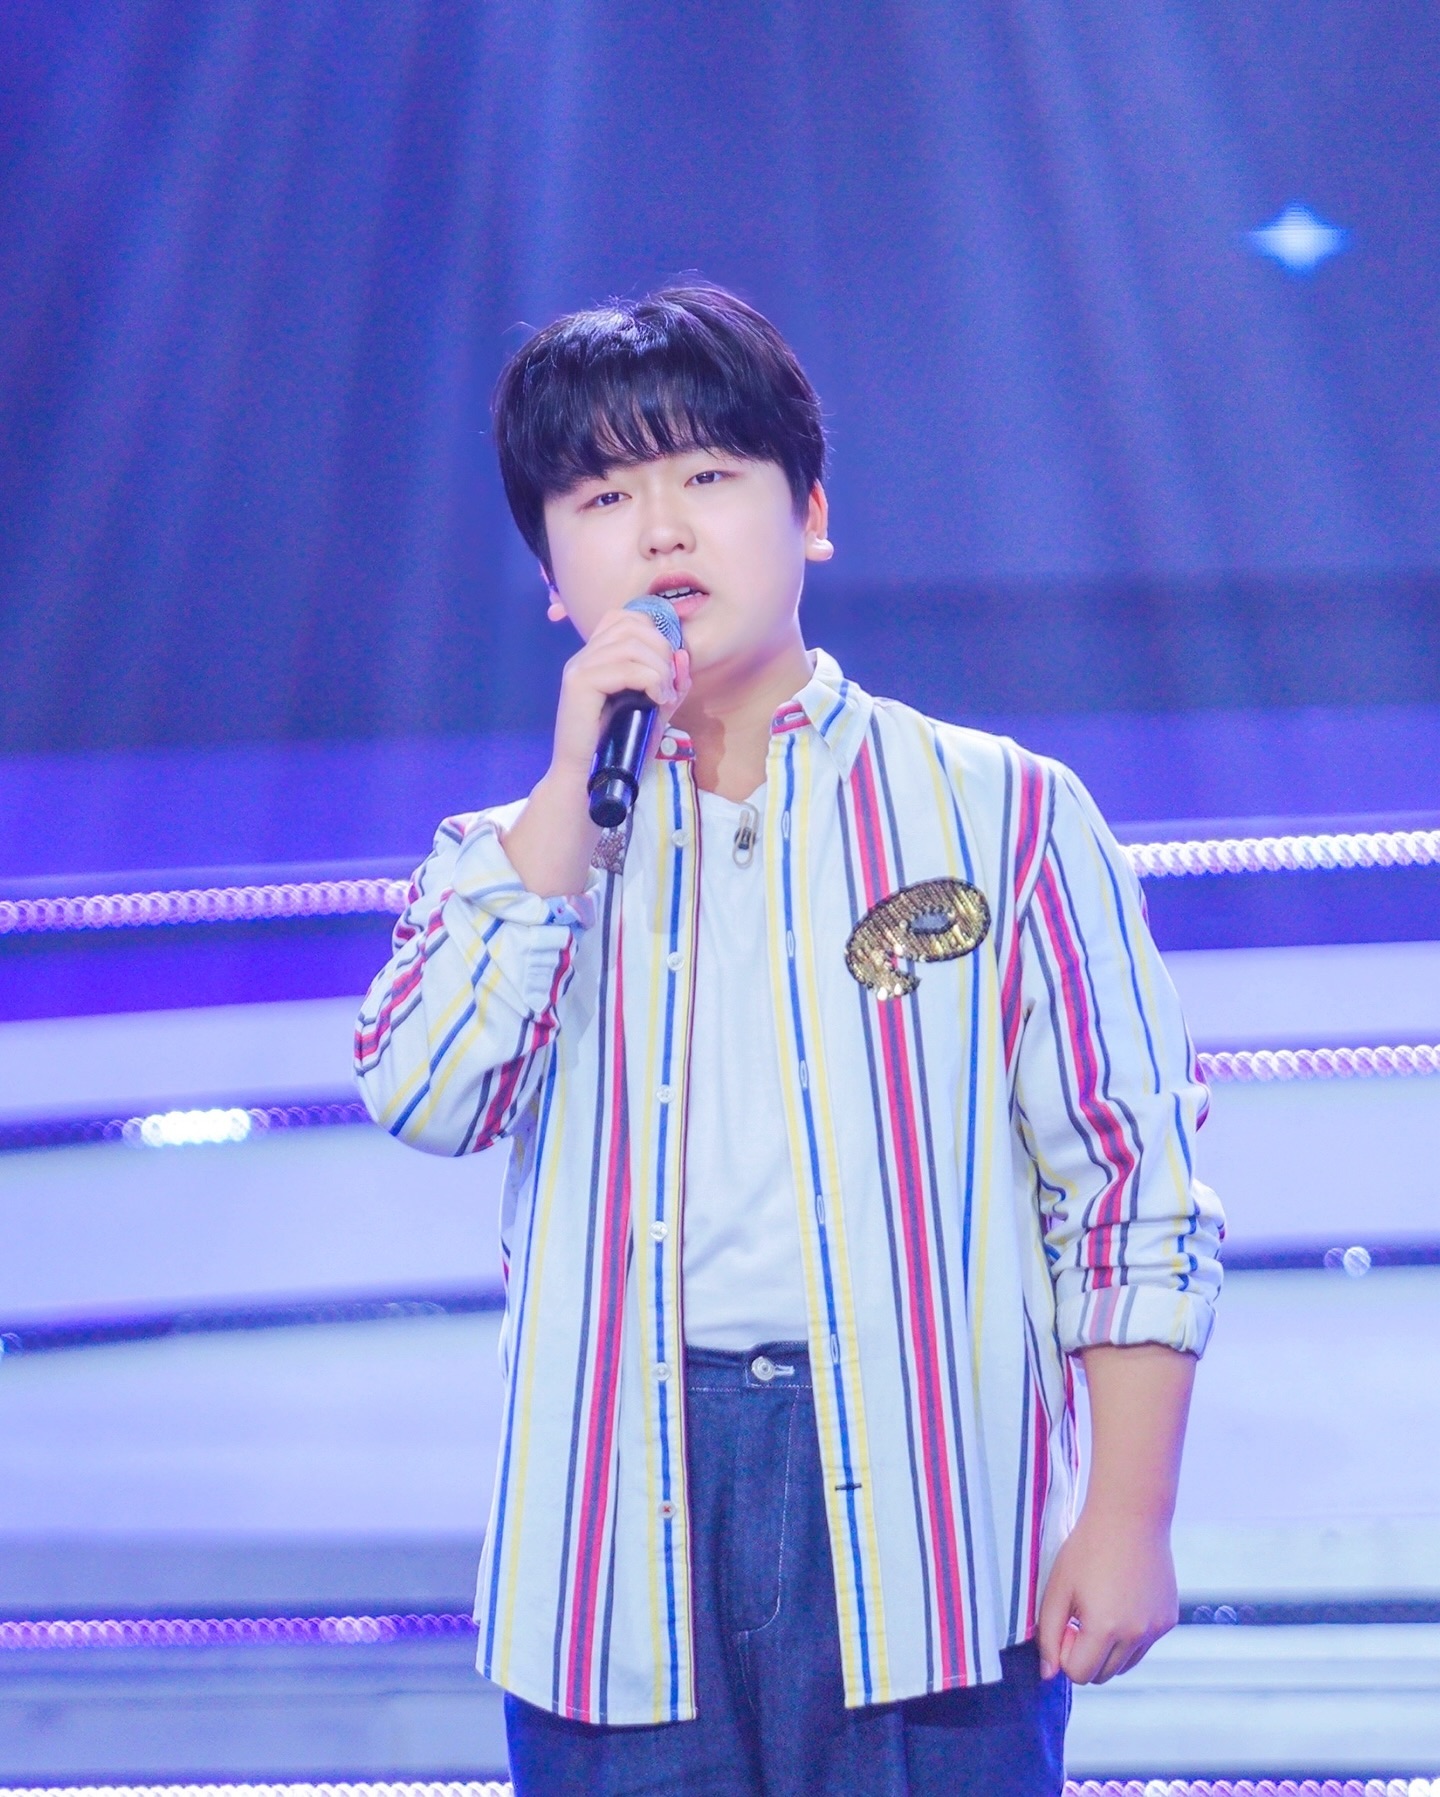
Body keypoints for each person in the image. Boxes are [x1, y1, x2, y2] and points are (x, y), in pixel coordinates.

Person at [353, 283, 1223, 1796]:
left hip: (935, 1532)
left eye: (707, 475)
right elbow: (425, 1091)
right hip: (614, 1549)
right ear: (554, 579)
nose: (661, 531)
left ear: (810, 513)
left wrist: (1129, 1514)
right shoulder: (516, 857)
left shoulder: (1004, 810)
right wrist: (568, 797)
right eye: (603, 498)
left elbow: (1127, 1184)